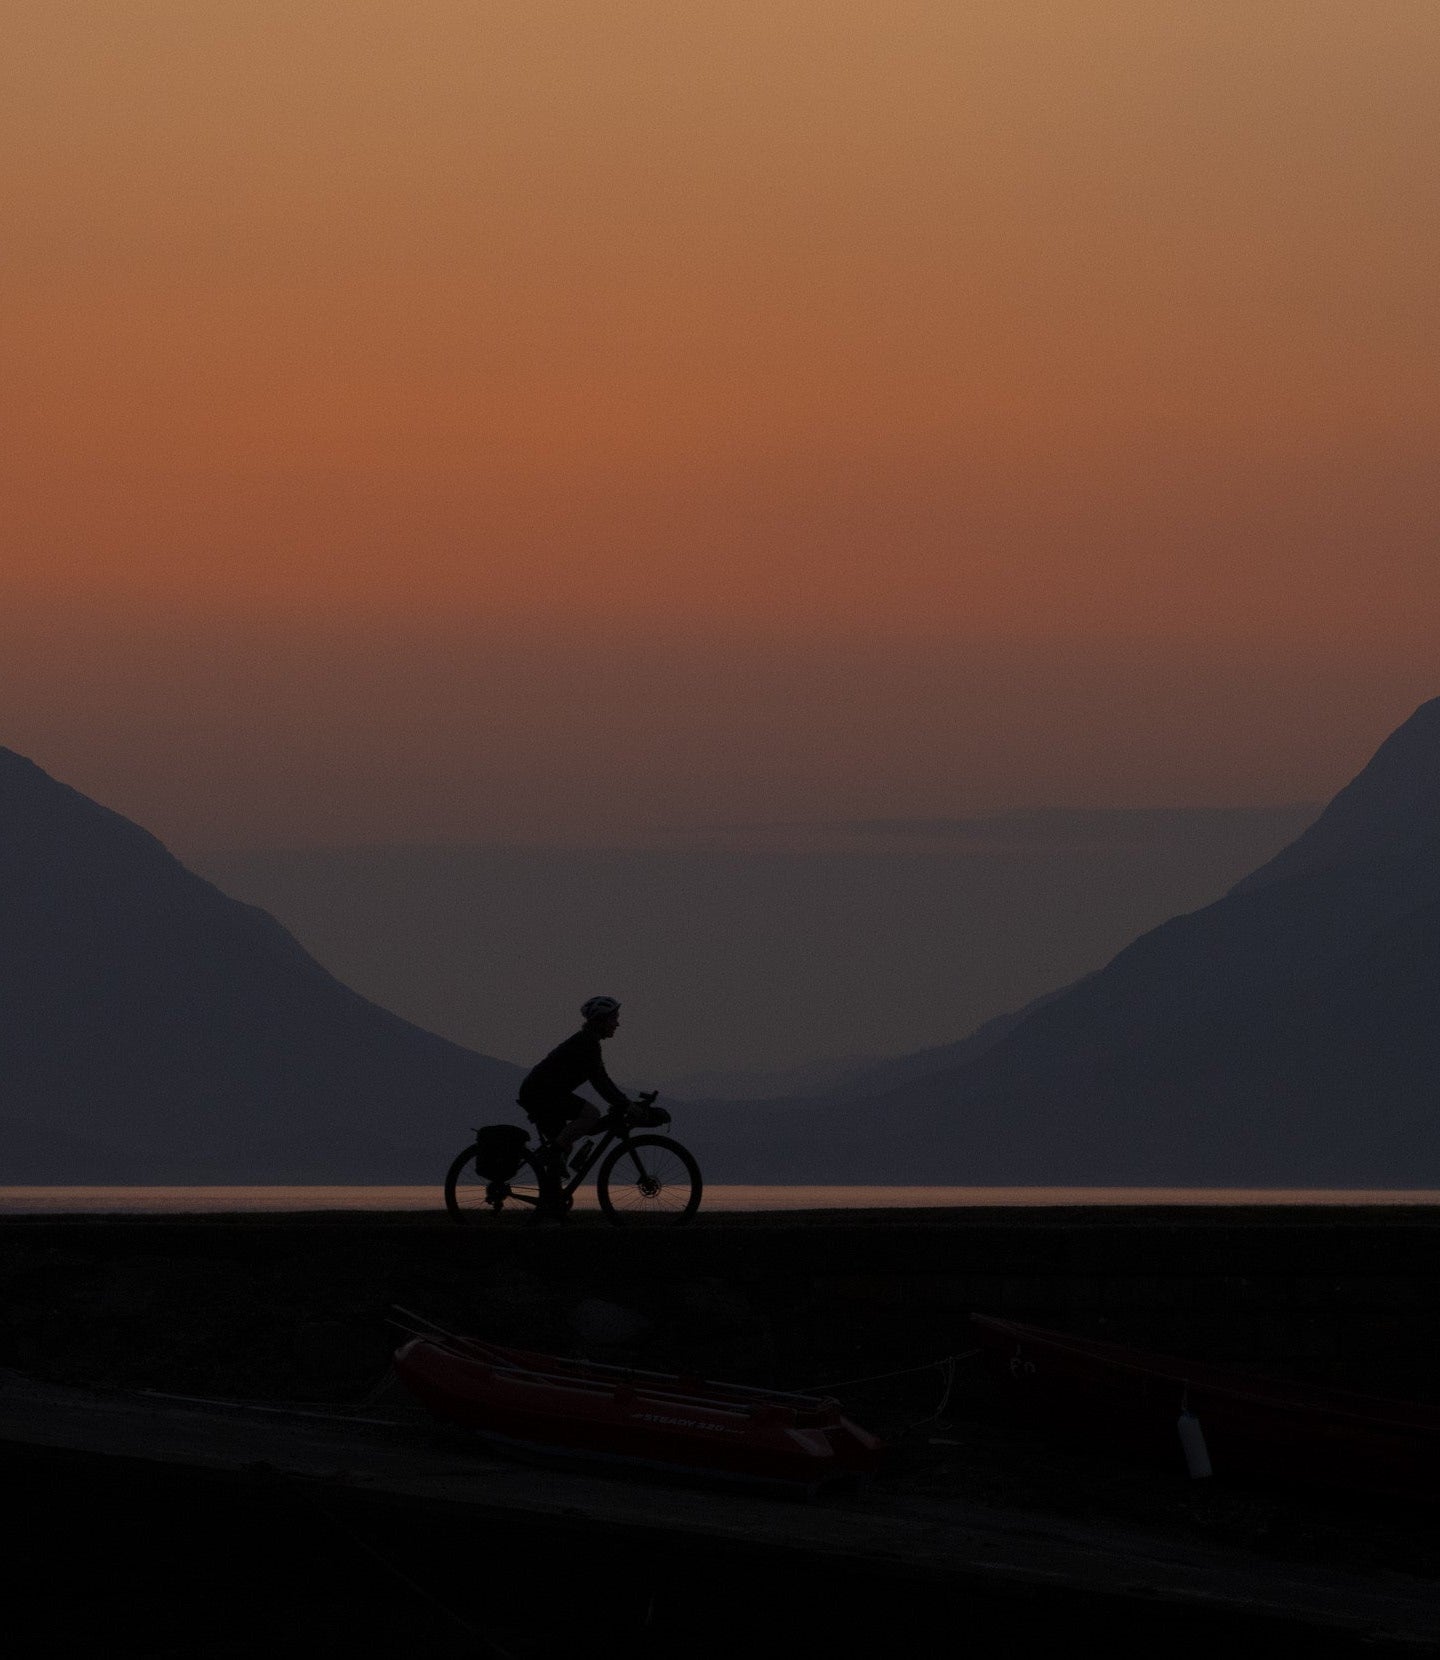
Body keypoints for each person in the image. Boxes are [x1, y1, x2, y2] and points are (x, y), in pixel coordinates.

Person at [517, 996, 636, 1168]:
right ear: (600, 1020)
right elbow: (600, 1083)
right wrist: (627, 1104)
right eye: (614, 1019)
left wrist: (624, 1102)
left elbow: (603, 1079)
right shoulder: (587, 1044)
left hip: (540, 1093)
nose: (617, 1024)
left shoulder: (588, 1041)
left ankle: (553, 1190)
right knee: (591, 1114)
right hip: (541, 1094)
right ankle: (552, 1155)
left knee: (563, 1148)